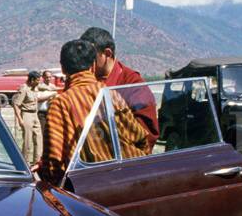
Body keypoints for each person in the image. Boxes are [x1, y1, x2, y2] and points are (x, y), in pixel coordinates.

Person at [39, 40, 149, 186]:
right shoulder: (111, 95)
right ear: (93, 66)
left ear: (63, 68)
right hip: (129, 181)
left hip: (89, 187)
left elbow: (54, 162)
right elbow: (140, 138)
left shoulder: (61, 104)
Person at [79, 26, 158, 151]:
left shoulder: (133, 84)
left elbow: (146, 135)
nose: (86, 61)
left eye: (91, 56)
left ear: (107, 54)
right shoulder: (85, 79)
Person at [11, 71, 54, 164]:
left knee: (39, 139)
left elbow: (45, 87)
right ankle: (24, 162)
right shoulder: (24, 89)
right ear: (32, 80)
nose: (39, 82)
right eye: (37, 80)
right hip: (26, 115)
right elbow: (16, 104)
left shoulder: (35, 88)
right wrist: (20, 119)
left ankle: (37, 162)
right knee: (27, 141)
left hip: (35, 114)